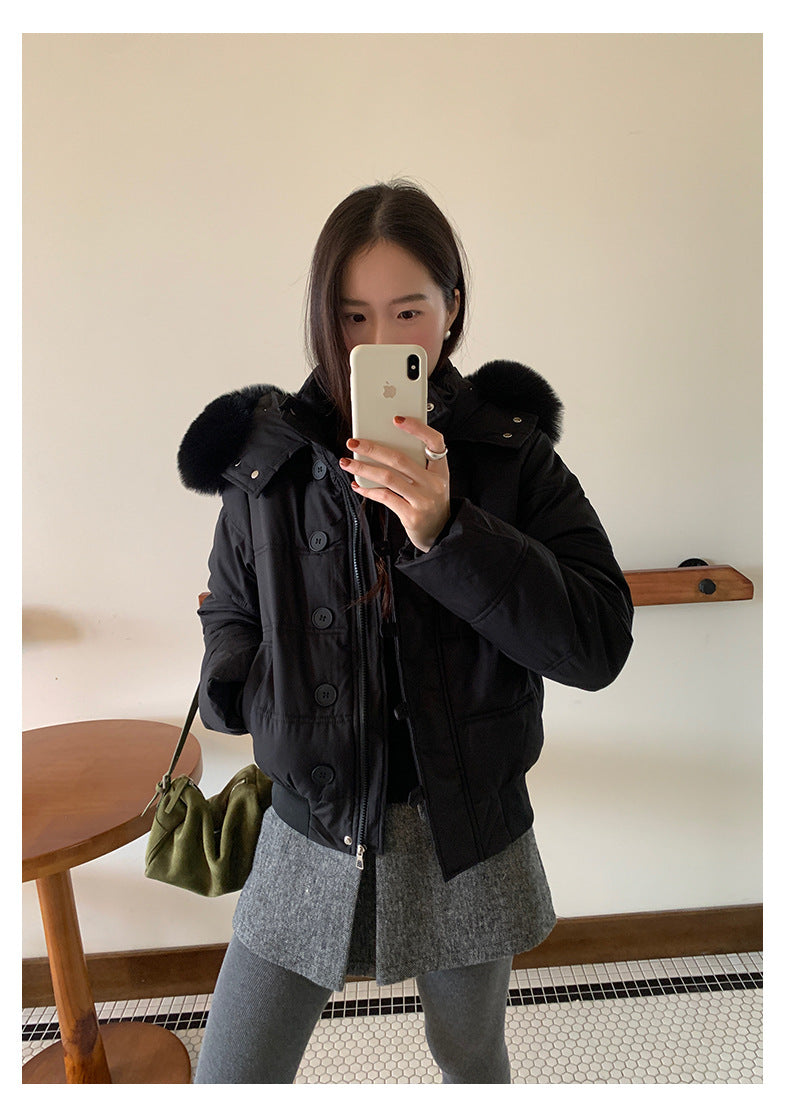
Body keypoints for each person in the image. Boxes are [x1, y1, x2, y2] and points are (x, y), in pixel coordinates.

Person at [177, 180, 634, 1084]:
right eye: (353, 316)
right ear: (322, 316)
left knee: (468, 1053)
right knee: (231, 1074)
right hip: (310, 820)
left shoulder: (510, 454)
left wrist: (450, 529)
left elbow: (597, 641)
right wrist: (251, 691)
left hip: (466, 830)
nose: (379, 342)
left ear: (452, 308)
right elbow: (229, 609)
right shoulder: (265, 459)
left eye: (408, 311)